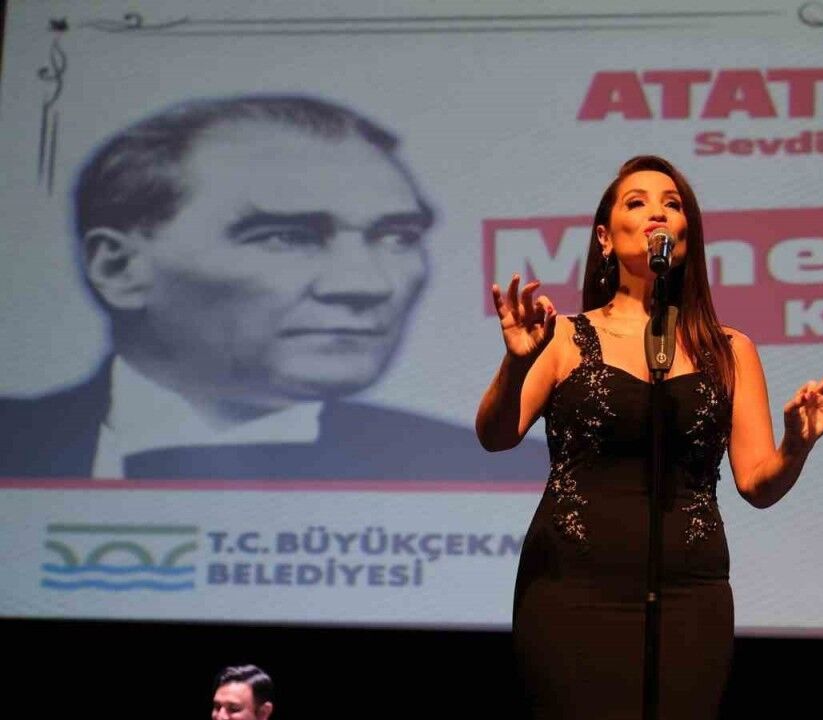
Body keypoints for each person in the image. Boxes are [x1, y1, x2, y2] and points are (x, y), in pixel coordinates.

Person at [475, 155, 823, 717]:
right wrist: (516, 363)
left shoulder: (730, 350)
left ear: (687, 235)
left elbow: (758, 484)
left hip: (690, 593)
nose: (657, 212)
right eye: (637, 202)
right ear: (605, 239)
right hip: (570, 588)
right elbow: (495, 435)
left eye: (672, 204)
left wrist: (797, 447)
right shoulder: (562, 336)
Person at [0, 94, 543, 481]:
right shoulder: (16, 443)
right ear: (119, 268)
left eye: (397, 237)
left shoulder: (516, 475)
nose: (366, 285)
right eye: (286, 237)